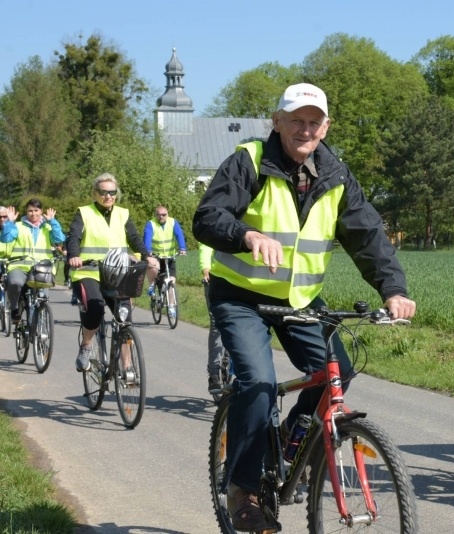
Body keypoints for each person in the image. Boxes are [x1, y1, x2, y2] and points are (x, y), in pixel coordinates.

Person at [193, 82, 416, 532]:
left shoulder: (335, 174)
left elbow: (368, 236)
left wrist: (393, 289)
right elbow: (208, 217)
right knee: (257, 380)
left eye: (314, 122)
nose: (305, 129)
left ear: (326, 127)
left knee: (339, 370)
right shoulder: (249, 161)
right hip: (240, 294)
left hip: (298, 299)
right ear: (277, 121)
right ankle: (243, 488)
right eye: (296, 120)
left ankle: (289, 441)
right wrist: (247, 235)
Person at [67, 173, 159, 373]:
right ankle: (86, 346)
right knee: (95, 308)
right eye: (103, 192)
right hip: (87, 272)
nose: (108, 196)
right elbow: (73, 236)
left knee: (124, 318)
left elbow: (134, 237)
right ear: (95, 193)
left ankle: (127, 367)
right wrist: (74, 255)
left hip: (117, 273)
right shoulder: (84, 213)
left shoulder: (122, 213)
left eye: (112, 192)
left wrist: (146, 255)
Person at [0, 199, 65, 323]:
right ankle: (14, 308)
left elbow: (59, 239)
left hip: (42, 268)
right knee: (14, 283)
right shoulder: (17, 226)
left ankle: (37, 328)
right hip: (19, 266)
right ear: (26, 211)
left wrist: (53, 221)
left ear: (41, 211)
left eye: (36, 210)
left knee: (42, 299)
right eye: (30, 210)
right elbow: (6, 239)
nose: (33, 213)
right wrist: (10, 222)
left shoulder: (47, 226)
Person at [143, 205, 187, 312]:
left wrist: (182, 247)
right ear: (155, 215)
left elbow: (179, 235)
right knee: (152, 267)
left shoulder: (173, 222)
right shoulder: (151, 224)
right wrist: (148, 251)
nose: (161, 217)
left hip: (169, 256)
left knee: (172, 283)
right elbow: (147, 238)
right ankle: (152, 285)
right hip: (156, 255)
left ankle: (171, 306)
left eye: (164, 215)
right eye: (159, 215)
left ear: (167, 214)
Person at [199, 243, 227, 395]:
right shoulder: (218, 218)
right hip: (216, 278)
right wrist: (206, 269)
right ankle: (214, 373)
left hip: (244, 283)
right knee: (216, 323)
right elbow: (206, 245)